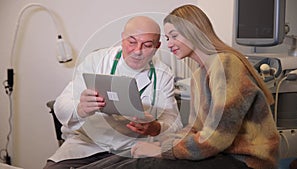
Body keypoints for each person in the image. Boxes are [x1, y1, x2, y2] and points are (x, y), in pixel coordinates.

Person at [79, 4, 280, 169]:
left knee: (146, 164)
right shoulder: (199, 75)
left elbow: (219, 136)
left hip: (246, 161)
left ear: (193, 32)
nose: (169, 43)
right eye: (167, 38)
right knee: (132, 157)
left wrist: (163, 151)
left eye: (174, 35)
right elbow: (194, 129)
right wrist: (160, 144)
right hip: (222, 154)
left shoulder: (226, 64)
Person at [44, 16, 182, 169]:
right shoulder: (96, 61)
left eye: (147, 45)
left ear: (157, 46)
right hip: (87, 146)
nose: (137, 51)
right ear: (122, 38)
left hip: (131, 149)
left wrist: (155, 127)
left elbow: (174, 122)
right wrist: (80, 109)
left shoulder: (163, 74)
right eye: (132, 42)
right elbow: (60, 106)